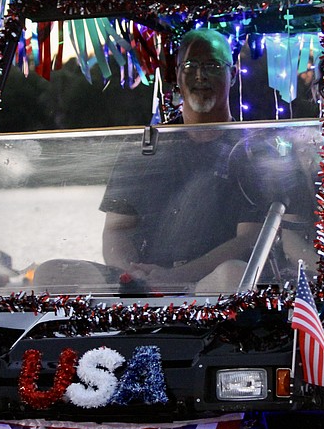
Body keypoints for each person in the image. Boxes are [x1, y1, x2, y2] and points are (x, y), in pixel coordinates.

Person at [100, 29, 260, 289]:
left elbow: (249, 239)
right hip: (141, 285)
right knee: (51, 273)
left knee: (235, 275)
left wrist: (176, 278)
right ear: (177, 75)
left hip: (209, 287)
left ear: (232, 75)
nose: (200, 75)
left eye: (213, 65)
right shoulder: (145, 146)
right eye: (190, 65)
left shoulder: (252, 148)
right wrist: (134, 276)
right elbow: (117, 229)